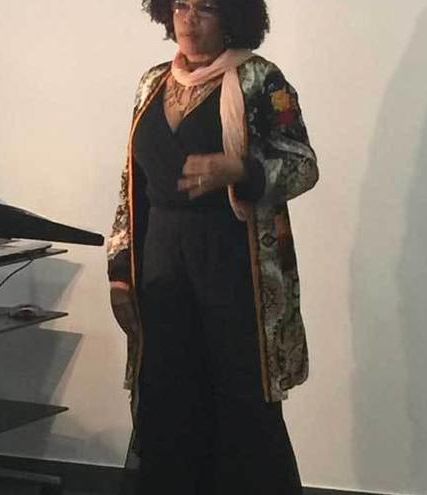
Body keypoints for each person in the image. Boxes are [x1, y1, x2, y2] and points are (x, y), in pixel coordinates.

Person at [106, 0, 318, 492]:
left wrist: (243, 169)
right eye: (180, 5)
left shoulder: (261, 80)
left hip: (233, 263)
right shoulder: (152, 82)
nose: (189, 18)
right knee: (166, 397)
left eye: (206, 7)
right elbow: (129, 187)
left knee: (240, 401)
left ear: (233, 18)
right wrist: (120, 274)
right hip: (161, 262)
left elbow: (304, 164)